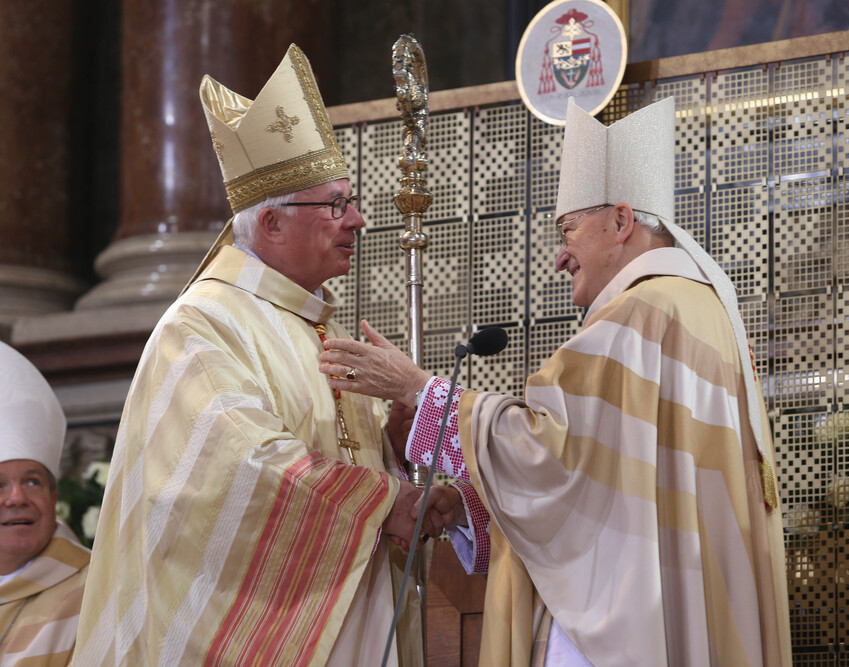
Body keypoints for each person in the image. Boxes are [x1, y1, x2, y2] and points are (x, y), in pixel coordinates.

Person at [319, 97, 793, 666]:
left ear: (621, 222)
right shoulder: (699, 309)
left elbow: (548, 458)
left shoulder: (639, 316)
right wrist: (469, 508)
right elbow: (607, 486)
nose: (560, 258)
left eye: (568, 231)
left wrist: (417, 390)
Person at [74, 44, 452, 666]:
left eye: (351, 201)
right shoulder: (201, 325)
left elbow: (332, 457)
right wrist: (386, 502)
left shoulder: (315, 325)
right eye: (335, 204)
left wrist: (394, 442)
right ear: (272, 224)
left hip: (350, 620)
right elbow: (239, 470)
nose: (358, 220)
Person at [0, 342, 91, 665]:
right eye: (0, 485)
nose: (16, 498)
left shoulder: (95, 589)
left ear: (54, 499)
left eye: (32, 482)